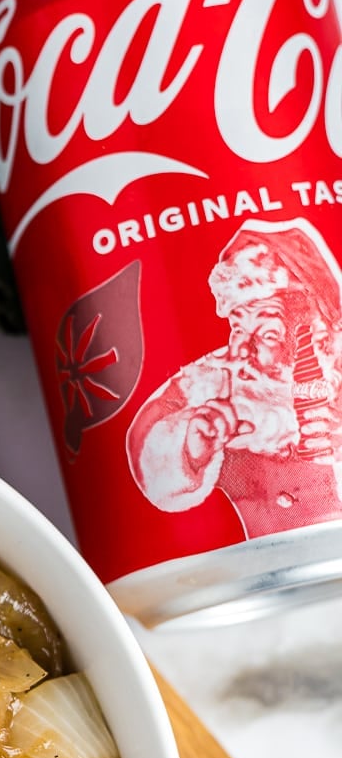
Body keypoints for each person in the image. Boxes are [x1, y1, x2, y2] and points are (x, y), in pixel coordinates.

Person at [126, 218, 342, 538]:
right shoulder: (220, 378)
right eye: (238, 327)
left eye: (268, 333)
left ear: (306, 319)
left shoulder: (332, 358)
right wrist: (190, 442)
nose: (243, 348)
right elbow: (150, 440)